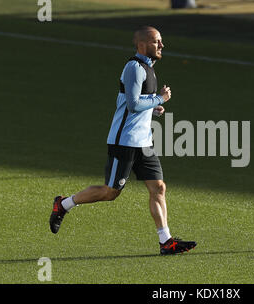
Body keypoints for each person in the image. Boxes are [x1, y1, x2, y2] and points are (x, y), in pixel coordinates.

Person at [49, 26, 197, 255]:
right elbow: (132, 104)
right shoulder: (134, 68)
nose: (162, 45)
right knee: (111, 193)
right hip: (125, 142)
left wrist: (153, 108)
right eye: (157, 41)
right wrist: (160, 98)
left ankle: (165, 241)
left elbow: (139, 103)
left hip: (143, 142)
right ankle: (64, 204)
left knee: (158, 187)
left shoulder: (148, 68)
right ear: (141, 44)